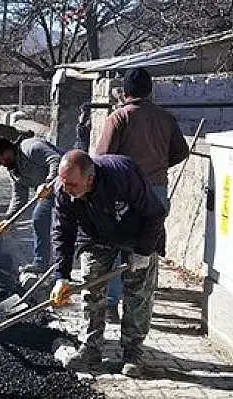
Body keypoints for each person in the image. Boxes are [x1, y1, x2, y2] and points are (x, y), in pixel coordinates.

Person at [51, 150, 167, 377]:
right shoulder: (64, 189)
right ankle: (90, 347)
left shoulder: (122, 175)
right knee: (90, 284)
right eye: (64, 183)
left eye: (73, 185)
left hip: (138, 234)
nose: (67, 191)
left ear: (90, 178)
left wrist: (143, 252)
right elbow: (62, 232)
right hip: (96, 235)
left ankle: (133, 353)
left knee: (138, 293)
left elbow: (155, 213)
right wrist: (61, 276)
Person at [94, 68, 189, 323]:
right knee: (147, 248)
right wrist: (159, 164)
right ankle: (141, 308)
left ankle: (112, 304)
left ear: (125, 93)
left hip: (125, 191)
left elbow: (103, 157)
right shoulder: (166, 118)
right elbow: (182, 152)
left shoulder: (119, 117)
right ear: (150, 91)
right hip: (156, 189)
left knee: (117, 244)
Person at [0, 135, 65, 287]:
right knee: (39, 218)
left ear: (6, 150)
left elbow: (56, 160)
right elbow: (19, 197)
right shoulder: (14, 171)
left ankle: (63, 269)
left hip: (68, 182)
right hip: (49, 192)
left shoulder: (30, 147)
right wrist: (9, 219)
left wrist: (48, 182)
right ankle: (41, 263)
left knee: (58, 224)